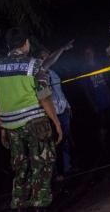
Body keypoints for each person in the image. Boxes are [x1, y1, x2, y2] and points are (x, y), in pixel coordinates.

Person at [0, 28, 62, 211]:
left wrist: (2, 127)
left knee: (20, 167)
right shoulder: (34, 64)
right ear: (25, 43)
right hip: (36, 122)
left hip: (11, 126)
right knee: (42, 163)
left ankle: (19, 204)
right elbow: (44, 97)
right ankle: (40, 204)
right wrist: (56, 122)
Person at [39, 42, 74, 181]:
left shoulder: (53, 73)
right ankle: (56, 173)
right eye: (44, 56)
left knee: (65, 140)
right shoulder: (39, 73)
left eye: (48, 55)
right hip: (52, 113)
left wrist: (68, 105)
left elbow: (59, 90)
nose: (48, 57)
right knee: (54, 143)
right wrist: (62, 48)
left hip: (63, 109)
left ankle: (67, 167)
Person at [82, 46, 110, 148]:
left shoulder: (99, 65)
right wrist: (92, 103)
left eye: (90, 52)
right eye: (86, 53)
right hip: (97, 100)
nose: (89, 55)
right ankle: (103, 146)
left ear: (93, 53)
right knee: (101, 123)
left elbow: (107, 81)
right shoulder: (85, 70)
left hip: (107, 96)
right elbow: (86, 89)